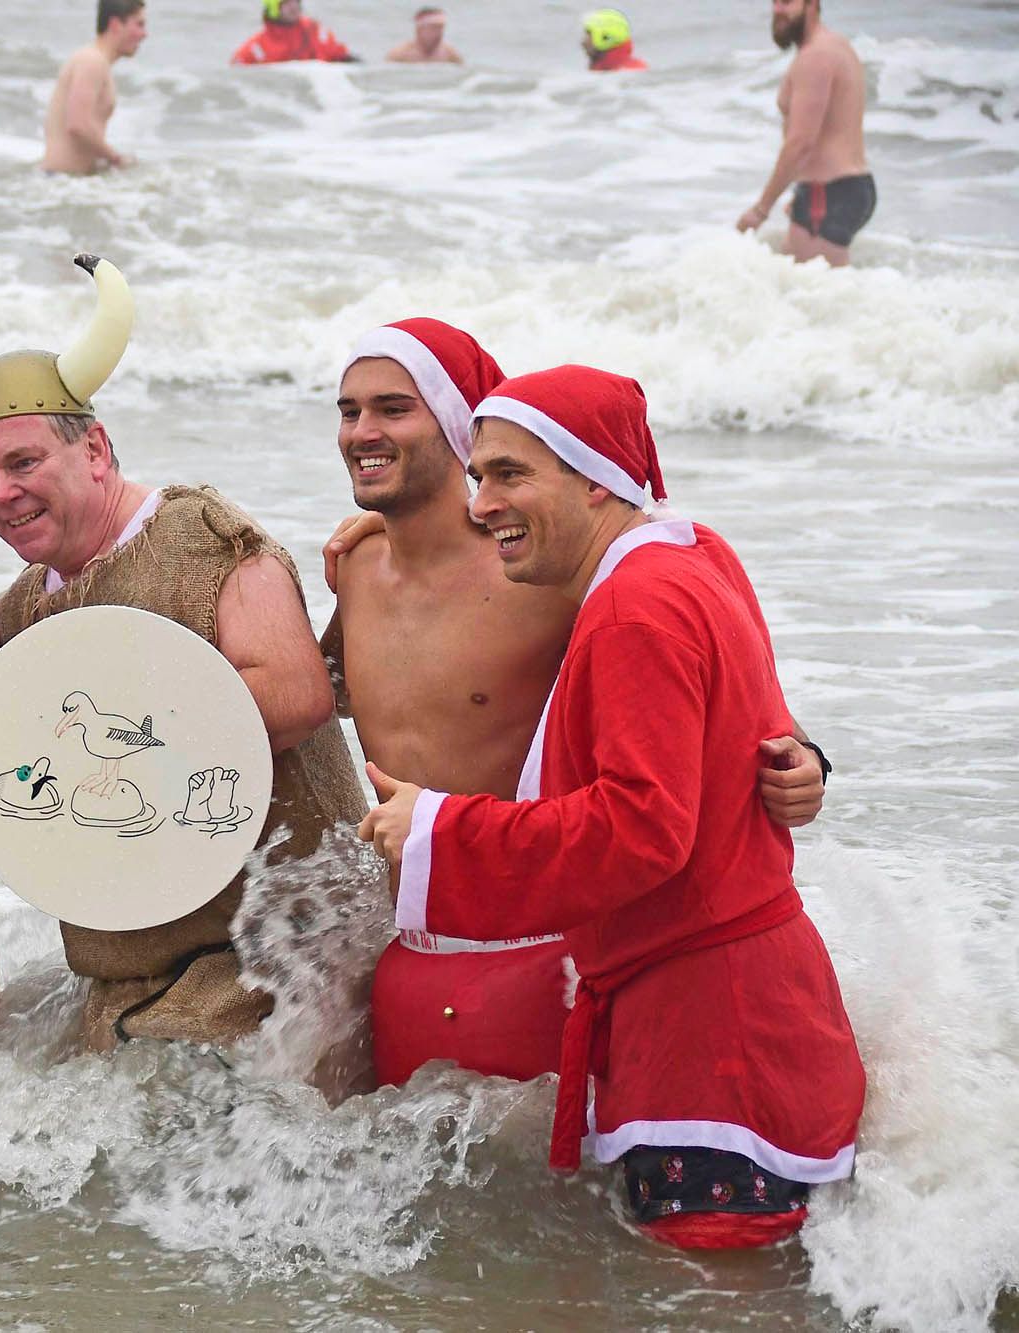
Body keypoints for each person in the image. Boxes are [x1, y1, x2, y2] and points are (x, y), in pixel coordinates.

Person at [357, 365, 864, 1249]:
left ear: (595, 479)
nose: (481, 503)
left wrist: (438, 829)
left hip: (711, 1039)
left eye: (510, 474)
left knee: (718, 1291)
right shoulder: (695, 552)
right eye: (477, 475)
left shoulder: (633, 607)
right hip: (759, 1009)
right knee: (751, 1291)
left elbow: (641, 829)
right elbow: (751, 728)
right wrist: (803, 759)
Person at [322, 320, 830, 1087]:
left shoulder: (545, 569)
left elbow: (704, 673)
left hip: (542, 955)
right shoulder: (354, 563)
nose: (364, 430)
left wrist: (802, 756)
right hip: (410, 951)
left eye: (394, 408)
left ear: (458, 427)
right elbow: (328, 696)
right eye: (349, 410)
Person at [0, 254, 366, 1051]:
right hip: (122, 981)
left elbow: (296, 697)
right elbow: (0, 775)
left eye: (24, 463)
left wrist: (111, 728)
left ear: (95, 449)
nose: (2, 493)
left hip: (275, 962)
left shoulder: (204, 538)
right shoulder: (23, 607)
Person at [736, 0, 873, 266]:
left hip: (827, 193)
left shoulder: (815, 57)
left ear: (812, 4)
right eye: (775, 2)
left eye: (787, 2)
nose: (778, 10)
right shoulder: (837, 45)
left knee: (816, 288)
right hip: (846, 188)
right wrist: (800, 192)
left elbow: (800, 143)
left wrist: (761, 209)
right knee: (815, 284)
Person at [44, 0, 147, 174]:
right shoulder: (92, 61)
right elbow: (78, 125)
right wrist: (116, 158)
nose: (144, 34)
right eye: (139, 24)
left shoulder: (96, 61)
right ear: (115, 25)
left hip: (68, 180)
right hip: (58, 179)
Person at [231, 0, 357, 66]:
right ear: (274, 8)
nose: (294, 6)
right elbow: (236, 73)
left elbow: (340, 55)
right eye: (286, 2)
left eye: (296, 0)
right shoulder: (257, 48)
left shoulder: (314, 30)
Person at [386, 7, 462, 64]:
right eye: (433, 28)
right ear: (419, 30)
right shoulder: (400, 55)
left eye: (441, 28)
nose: (439, 32)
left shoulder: (449, 55)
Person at [581, 9, 647, 72]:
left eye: (588, 36)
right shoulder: (603, 69)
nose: (582, 43)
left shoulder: (633, 71)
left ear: (605, 38)